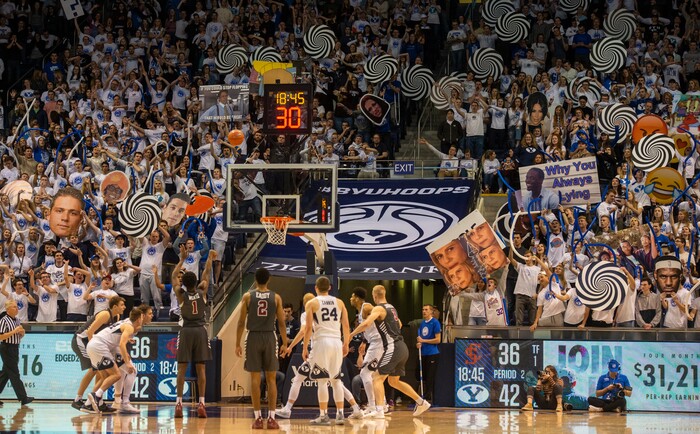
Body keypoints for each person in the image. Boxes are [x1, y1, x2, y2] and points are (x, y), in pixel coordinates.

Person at [349, 285, 431, 419]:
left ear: (374, 295)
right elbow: (399, 325)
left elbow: (366, 323)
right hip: (401, 346)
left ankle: (380, 410)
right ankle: (422, 402)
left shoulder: (378, 308)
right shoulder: (392, 308)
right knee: (394, 382)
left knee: (376, 377)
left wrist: (351, 335)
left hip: (393, 346)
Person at [235, 268, 287, 430]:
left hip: (253, 337)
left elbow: (241, 322)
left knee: (255, 379)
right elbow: (281, 322)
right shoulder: (276, 297)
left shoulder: (248, 297)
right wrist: (285, 342)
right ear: (268, 280)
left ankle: (257, 418)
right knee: (271, 379)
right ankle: (272, 418)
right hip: (270, 337)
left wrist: (237, 342)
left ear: (255, 280)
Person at [172, 245, 216, 419]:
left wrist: (182, 259)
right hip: (200, 331)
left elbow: (175, 276)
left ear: (184, 283)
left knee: (181, 369)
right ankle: (202, 404)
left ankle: (178, 403)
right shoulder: (202, 291)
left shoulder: (180, 293)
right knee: (201, 370)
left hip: (186, 330)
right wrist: (211, 258)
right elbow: (207, 272)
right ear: (196, 282)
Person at [302, 276, 351, 425]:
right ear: (329, 287)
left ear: (315, 288)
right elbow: (346, 326)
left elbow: (309, 328)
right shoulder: (340, 302)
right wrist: (346, 343)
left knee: (322, 381)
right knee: (336, 380)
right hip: (336, 341)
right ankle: (340, 415)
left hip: (321, 341)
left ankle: (323, 416)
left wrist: (304, 347)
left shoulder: (311, 303)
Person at [72, 296, 126, 412]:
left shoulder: (116, 316)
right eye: (122, 305)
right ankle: (78, 399)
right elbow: (90, 331)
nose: (124, 307)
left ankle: (97, 400)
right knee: (94, 369)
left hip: (94, 342)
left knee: (102, 371)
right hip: (82, 340)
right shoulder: (105, 315)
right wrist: (94, 350)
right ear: (115, 306)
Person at [85, 309, 143, 413]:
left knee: (105, 377)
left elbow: (116, 333)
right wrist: (127, 362)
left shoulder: (125, 322)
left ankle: (88, 404)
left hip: (92, 345)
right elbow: (121, 344)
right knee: (117, 374)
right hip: (99, 346)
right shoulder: (129, 326)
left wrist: (128, 338)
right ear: (139, 319)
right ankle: (97, 396)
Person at [0, 300, 34, 406]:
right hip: (6, 348)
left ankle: (23, 397)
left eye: (16, 307)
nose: (17, 308)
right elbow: (1, 336)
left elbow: (20, 335)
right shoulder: (3, 320)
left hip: (15, 348)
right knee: (15, 373)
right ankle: (23, 398)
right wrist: (14, 331)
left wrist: (22, 333)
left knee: (5, 374)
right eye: (14, 307)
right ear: (8, 309)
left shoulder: (17, 320)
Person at [416, 304, 441, 402]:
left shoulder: (435, 322)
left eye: (426, 310)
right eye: (423, 309)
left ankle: (427, 397)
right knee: (422, 375)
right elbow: (421, 338)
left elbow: (438, 340)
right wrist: (419, 343)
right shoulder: (422, 323)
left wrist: (424, 341)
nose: (424, 311)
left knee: (430, 377)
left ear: (431, 312)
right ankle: (422, 396)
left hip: (432, 353)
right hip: (423, 353)